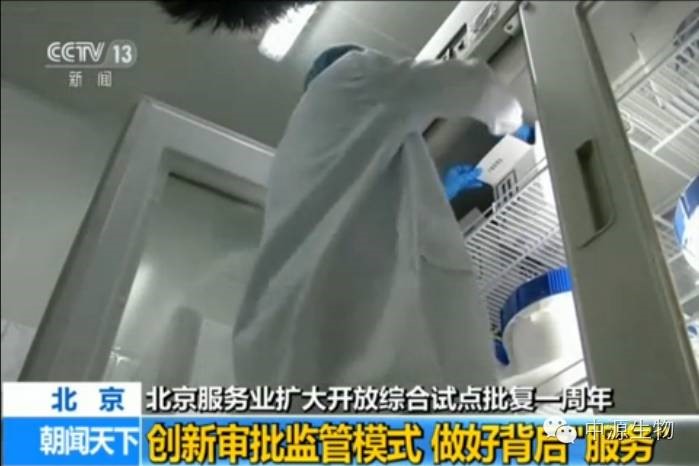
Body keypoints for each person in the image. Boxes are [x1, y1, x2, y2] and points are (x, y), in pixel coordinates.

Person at [156, 3, 523, 391]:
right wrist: (518, 119)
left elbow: (362, 208)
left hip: (294, 351)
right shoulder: (353, 72)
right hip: (364, 347)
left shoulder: (295, 150)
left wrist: (443, 193)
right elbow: (464, 84)